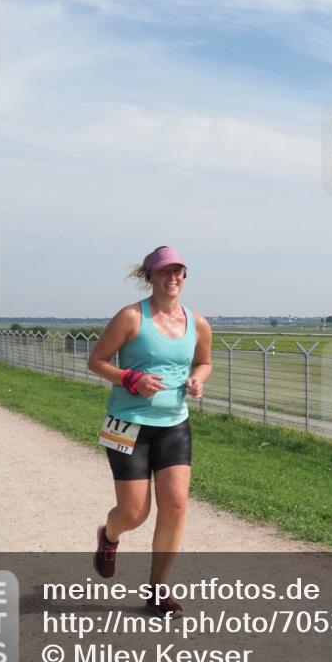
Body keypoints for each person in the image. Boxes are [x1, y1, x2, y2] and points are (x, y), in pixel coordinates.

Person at [87, 246, 212, 617]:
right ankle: (109, 536)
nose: (172, 278)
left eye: (179, 272)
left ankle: (158, 590)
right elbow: (96, 360)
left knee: (175, 505)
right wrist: (131, 378)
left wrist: (198, 380)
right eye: (164, 272)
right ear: (150, 276)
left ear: (184, 277)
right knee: (134, 513)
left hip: (174, 423)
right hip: (128, 424)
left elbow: (205, 362)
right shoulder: (130, 318)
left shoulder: (198, 323)